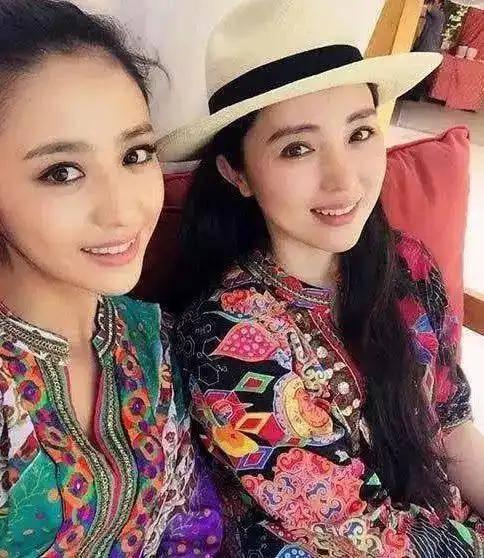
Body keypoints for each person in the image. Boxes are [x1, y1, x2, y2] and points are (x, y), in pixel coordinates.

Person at [157, 0, 484, 556]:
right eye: (298, 148)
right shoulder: (228, 340)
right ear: (237, 172)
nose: (343, 180)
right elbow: (353, 534)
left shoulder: (407, 264)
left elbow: (452, 429)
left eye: (359, 134)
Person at [0, 1, 222, 556]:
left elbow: (190, 526)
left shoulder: (147, 336)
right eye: (62, 172)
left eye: (135, 153)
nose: (122, 209)